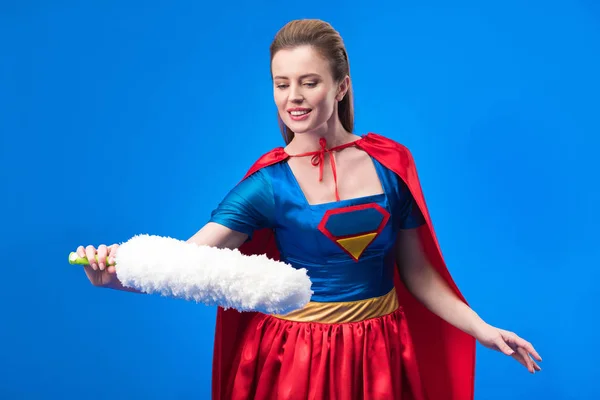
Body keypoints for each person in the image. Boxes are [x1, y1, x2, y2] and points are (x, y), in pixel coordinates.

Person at [76, 19, 542, 400]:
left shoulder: (391, 164)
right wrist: (115, 274)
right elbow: (187, 262)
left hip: (380, 351)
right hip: (296, 359)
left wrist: (481, 328)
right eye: (282, 84)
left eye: (309, 82)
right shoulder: (268, 183)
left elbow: (417, 273)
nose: (293, 96)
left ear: (340, 87)